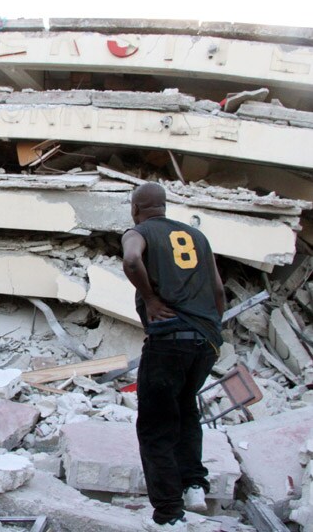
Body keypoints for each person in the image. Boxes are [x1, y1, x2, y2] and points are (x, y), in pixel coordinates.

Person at [121, 182, 225, 530]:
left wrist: (150, 299)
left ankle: (168, 515)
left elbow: (132, 258)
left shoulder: (138, 232)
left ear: (136, 207)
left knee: (155, 427)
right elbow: (218, 291)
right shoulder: (197, 236)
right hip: (204, 342)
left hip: (168, 342)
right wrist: (211, 329)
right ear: (164, 206)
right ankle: (194, 484)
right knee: (185, 409)